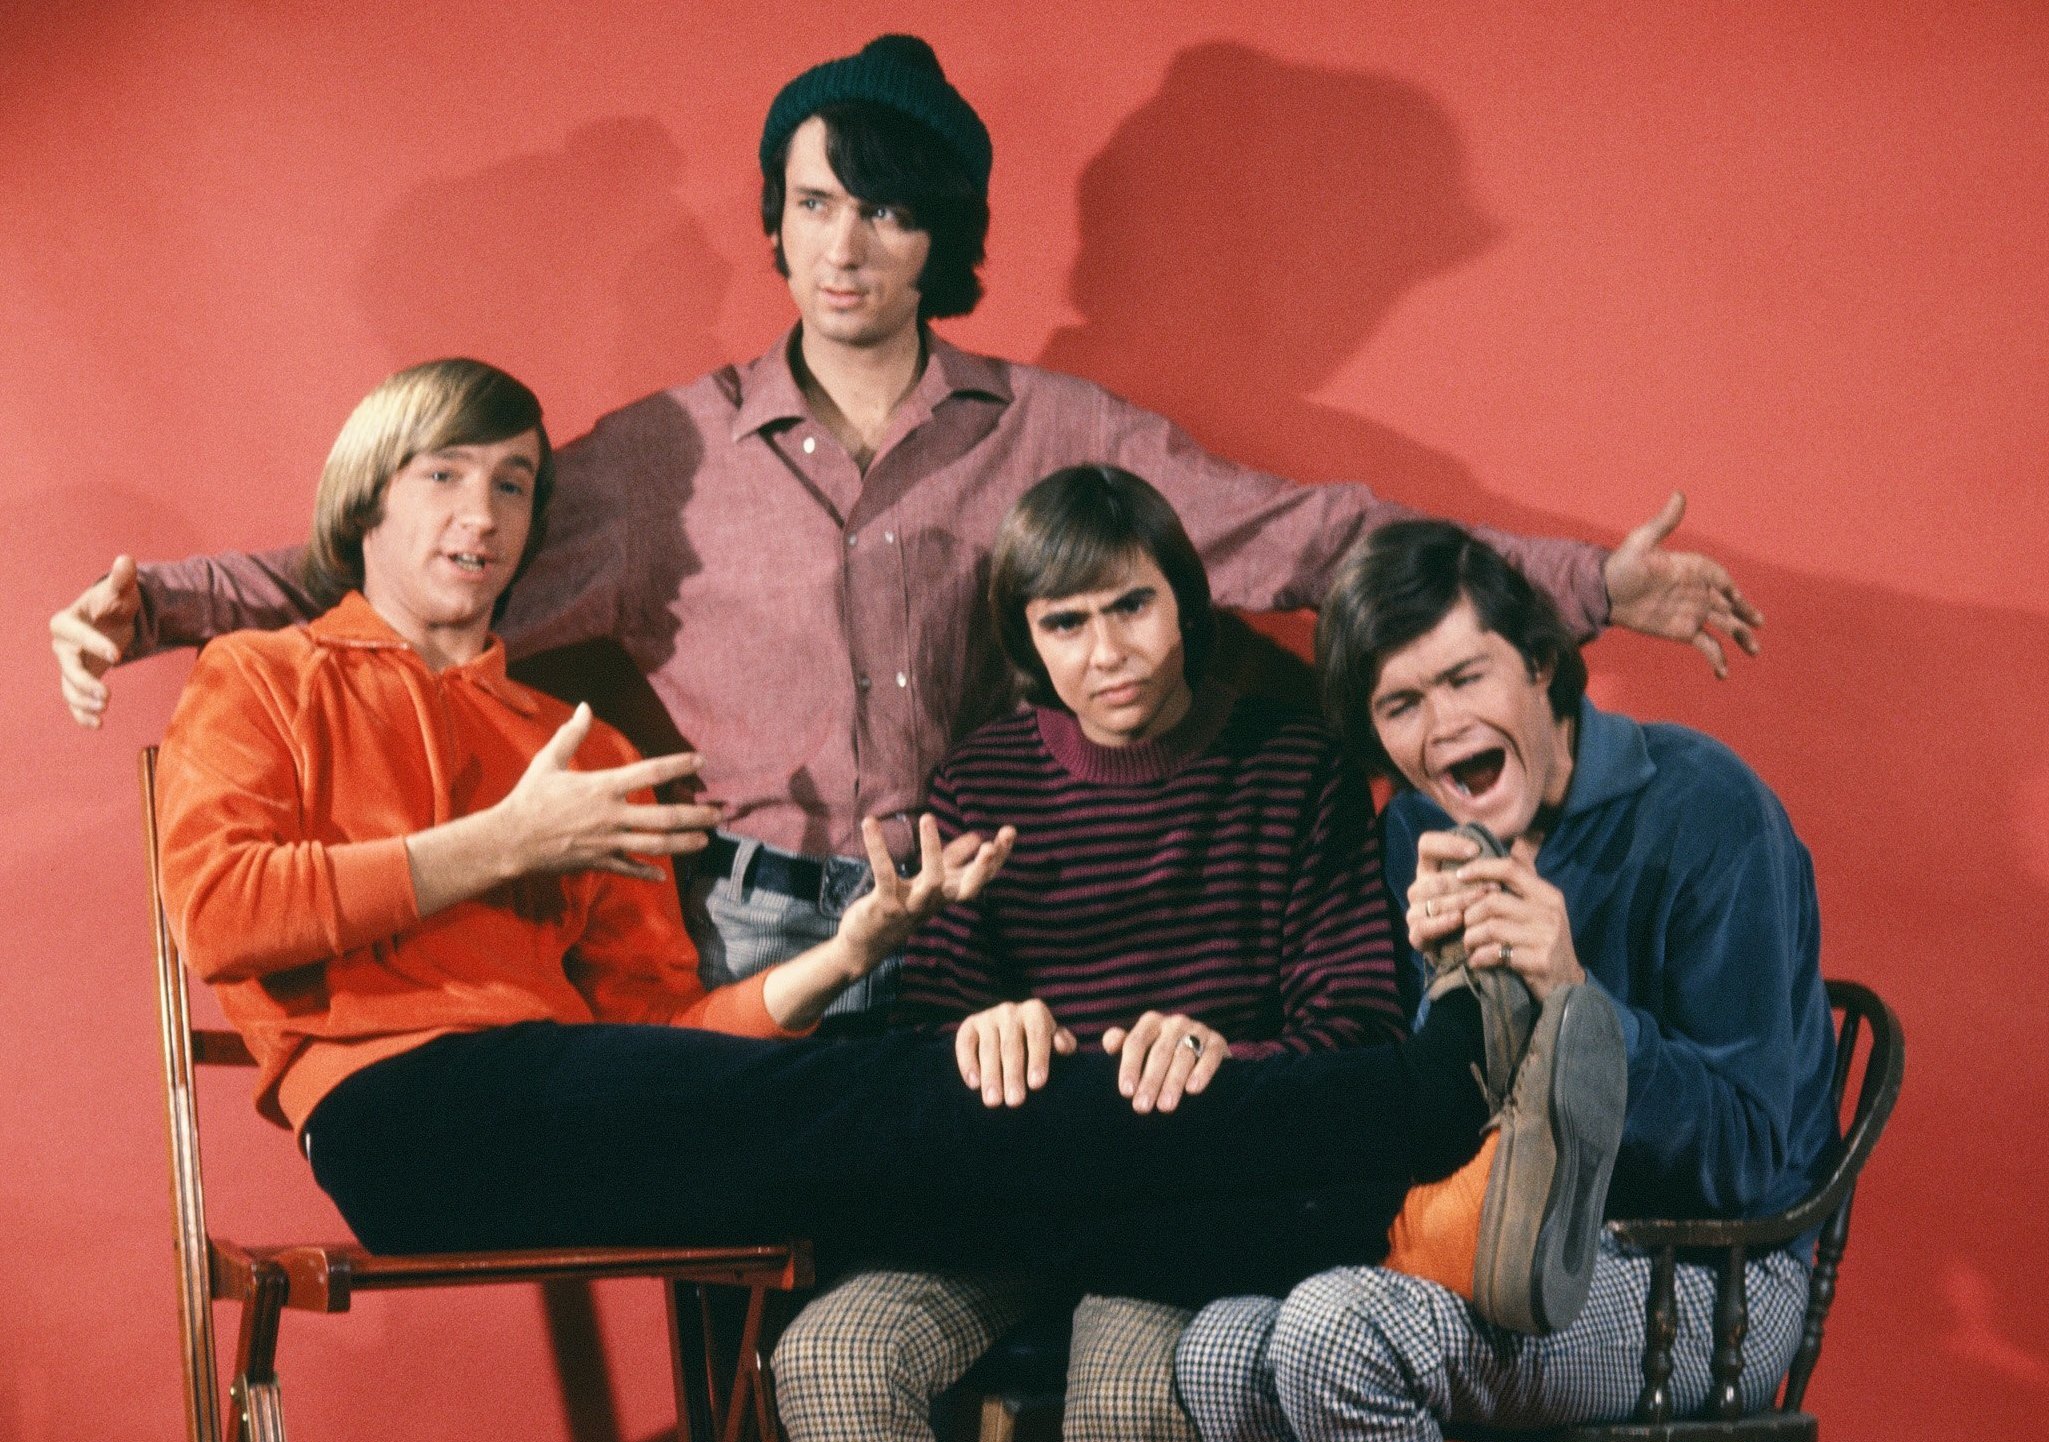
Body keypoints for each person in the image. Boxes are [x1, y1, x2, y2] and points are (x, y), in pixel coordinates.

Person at [154, 361, 1627, 1442]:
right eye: (442, 478)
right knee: (912, 1084)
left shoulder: (566, 738)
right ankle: (1426, 1131)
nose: (479, 516)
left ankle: (1380, 1189)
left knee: (893, 1096)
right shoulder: (261, 677)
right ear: (367, 494)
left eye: (515, 485)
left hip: (566, 1101)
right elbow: (220, 904)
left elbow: (669, 1047)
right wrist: (501, 846)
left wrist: (832, 951)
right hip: (404, 1116)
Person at [57, 34, 1760, 1028]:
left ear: (939, 235)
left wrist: (1586, 578)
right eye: (812, 205)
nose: (845, 244)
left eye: (883, 210)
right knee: (776, 1335)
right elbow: (410, 544)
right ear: (775, 226)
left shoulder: (1057, 434)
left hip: (992, 927)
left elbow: (1307, 541)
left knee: (974, 1314)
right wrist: (161, 613)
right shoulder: (666, 455)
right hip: (739, 938)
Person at [1173, 520, 1839, 1442]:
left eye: (1465, 679)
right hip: (1494, 1243)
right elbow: (1428, 1122)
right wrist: (1432, 1000)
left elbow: (1751, 1159)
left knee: (1337, 1331)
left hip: (1707, 1279)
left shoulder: (1707, 809)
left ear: (1540, 665)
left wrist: (1573, 992)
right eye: (1400, 703)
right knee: (1217, 1352)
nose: (1440, 727)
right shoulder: (1417, 830)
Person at [773, 464, 1399, 1442]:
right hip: (1017, 1199)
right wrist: (978, 1032)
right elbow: (928, 1041)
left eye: (1131, 607)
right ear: (1027, 643)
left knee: (1121, 1408)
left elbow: (1358, 1030)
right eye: (1065, 623)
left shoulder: (1297, 765)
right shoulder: (983, 781)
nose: (1105, 654)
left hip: (1194, 1199)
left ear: (1185, 606)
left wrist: (1217, 1056)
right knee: (826, 1358)